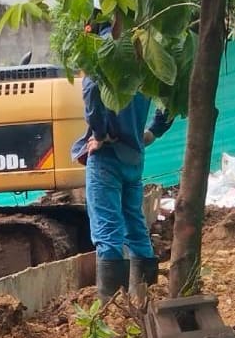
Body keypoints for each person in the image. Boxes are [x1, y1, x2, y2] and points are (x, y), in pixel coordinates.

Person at [73, 22, 173, 302]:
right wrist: (154, 131)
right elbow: (169, 91)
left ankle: (110, 310)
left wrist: (101, 133)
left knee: (108, 235)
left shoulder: (105, 45)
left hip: (108, 157)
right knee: (136, 229)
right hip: (134, 157)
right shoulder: (145, 44)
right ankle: (146, 299)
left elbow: (92, 89)